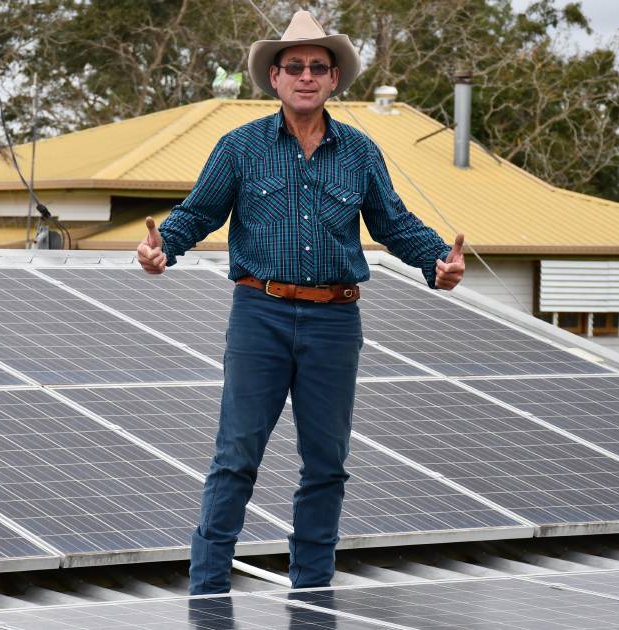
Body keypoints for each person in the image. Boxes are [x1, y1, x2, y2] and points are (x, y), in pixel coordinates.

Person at [136, 10, 465, 595]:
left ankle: (312, 592)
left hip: (335, 320)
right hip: (258, 315)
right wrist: (165, 248)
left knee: (326, 464)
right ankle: (208, 591)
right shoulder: (240, 147)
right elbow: (197, 213)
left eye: (318, 67)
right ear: (275, 77)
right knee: (236, 456)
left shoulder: (360, 152)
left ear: (334, 78)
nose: (306, 76)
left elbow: (395, 223)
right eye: (295, 67)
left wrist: (439, 262)